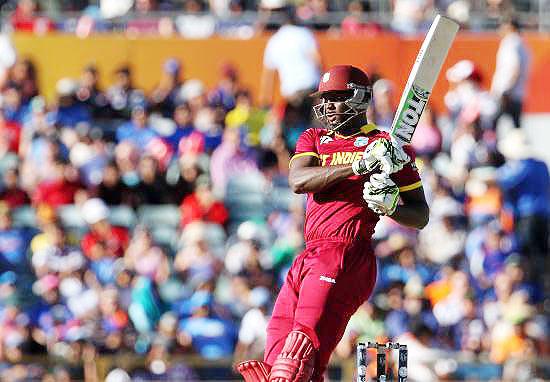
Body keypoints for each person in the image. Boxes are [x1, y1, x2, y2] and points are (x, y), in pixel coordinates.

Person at [236, 65, 429, 382]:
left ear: (360, 98)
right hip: (308, 254)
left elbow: (420, 215)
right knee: (273, 361)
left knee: (297, 362)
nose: (327, 106)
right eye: (324, 99)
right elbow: (300, 180)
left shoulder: (388, 146)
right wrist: (359, 165)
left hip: (346, 254)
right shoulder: (314, 138)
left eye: (337, 98)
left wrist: (392, 205)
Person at [490, 16, 530, 128]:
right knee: (516, 129)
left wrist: (506, 91)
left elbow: (514, 69)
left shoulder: (510, 43)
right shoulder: (523, 44)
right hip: (518, 93)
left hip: (507, 93)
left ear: (510, 27)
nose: (499, 29)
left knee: (491, 126)